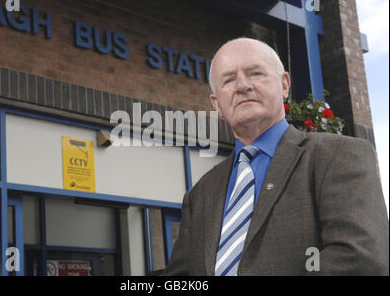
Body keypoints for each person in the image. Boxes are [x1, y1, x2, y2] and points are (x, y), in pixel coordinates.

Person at [163, 38, 389, 276]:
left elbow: (362, 259)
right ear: (216, 103)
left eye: (255, 74)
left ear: (284, 85)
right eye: (229, 80)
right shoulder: (200, 194)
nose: (242, 85)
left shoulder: (337, 156)